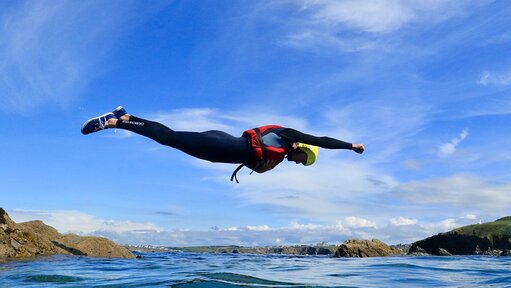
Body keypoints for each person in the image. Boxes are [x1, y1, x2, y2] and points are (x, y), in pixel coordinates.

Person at [81, 106, 365, 182]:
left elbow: (256, 163)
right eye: (304, 160)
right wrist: (350, 146)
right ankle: (115, 122)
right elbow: (322, 140)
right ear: (303, 149)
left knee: (173, 137)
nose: (299, 163)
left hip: (221, 141)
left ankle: (128, 116)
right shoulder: (290, 136)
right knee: (170, 139)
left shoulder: (279, 155)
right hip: (219, 145)